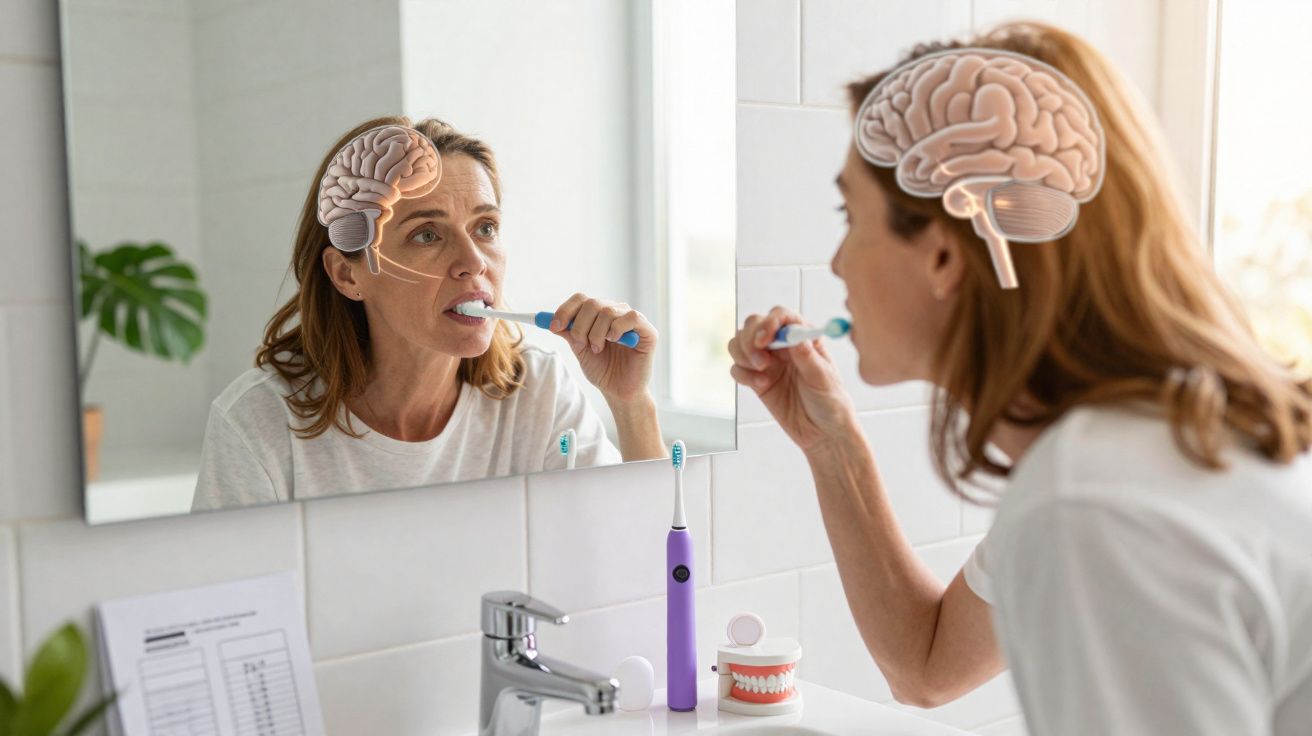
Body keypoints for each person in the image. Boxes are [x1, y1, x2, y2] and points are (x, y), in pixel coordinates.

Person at [728, 22, 1312, 734]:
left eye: (851, 215)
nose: (836, 263)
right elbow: (926, 667)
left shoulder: (1094, 506)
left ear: (944, 254)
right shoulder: (1155, 447)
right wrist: (833, 444)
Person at [194, 117, 663, 509]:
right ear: (347, 275)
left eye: (485, 227)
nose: (474, 262)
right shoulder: (257, 423)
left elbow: (642, 558)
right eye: (427, 235)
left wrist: (630, 401)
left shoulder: (538, 394)